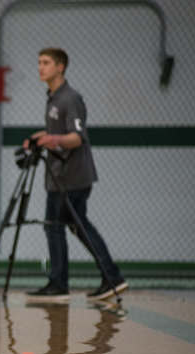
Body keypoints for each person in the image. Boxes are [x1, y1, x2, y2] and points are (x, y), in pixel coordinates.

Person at [24, 48, 128, 302]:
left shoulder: (69, 98)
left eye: (46, 63)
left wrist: (54, 138)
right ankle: (110, 275)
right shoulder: (54, 97)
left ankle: (61, 283)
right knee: (76, 225)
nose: (41, 67)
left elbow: (76, 137)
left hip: (70, 177)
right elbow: (58, 130)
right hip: (61, 176)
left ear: (60, 67)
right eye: (39, 62)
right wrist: (40, 137)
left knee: (56, 226)